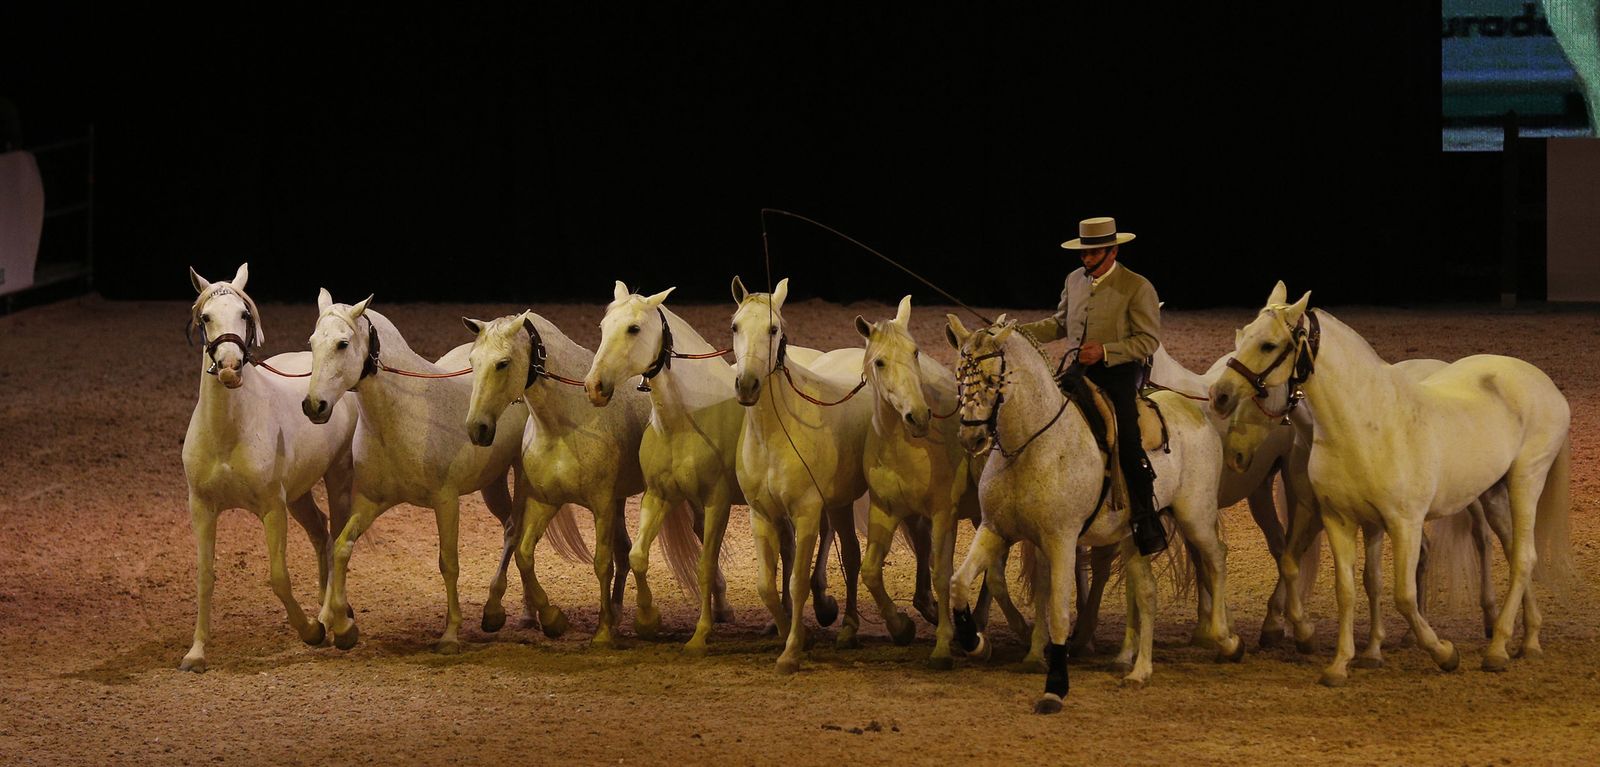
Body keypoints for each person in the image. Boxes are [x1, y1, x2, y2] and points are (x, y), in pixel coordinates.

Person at [1018, 216, 1165, 556]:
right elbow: (1057, 323)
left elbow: (1147, 340)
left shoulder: (1137, 287)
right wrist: (1018, 331)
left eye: (1093, 253)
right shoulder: (1074, 280)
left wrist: (1106, 350)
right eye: (1084, 253)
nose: (1086, 259)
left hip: (1118, 374)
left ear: (1112, 251)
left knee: (1127, 439)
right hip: (1078, 370)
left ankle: (1145, 517)